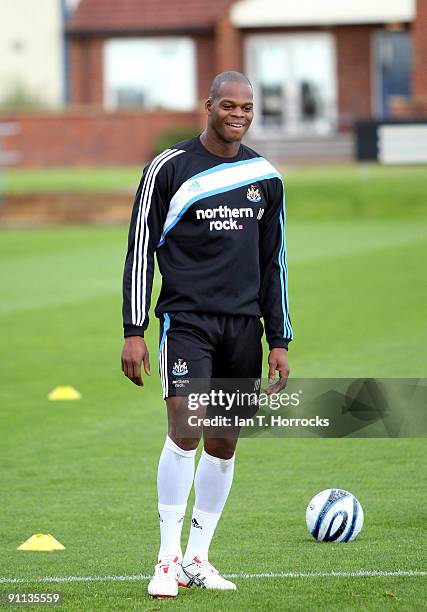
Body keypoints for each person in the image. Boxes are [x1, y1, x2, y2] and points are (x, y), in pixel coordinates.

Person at [121, 71, 293, 599]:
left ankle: (199, 557)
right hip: (187, 319)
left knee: (223, 443)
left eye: (246, 106)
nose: (238, 114)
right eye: (228, 105)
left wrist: (279, 340)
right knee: (187, 426)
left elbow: (274, 264)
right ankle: (166, 559)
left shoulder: (265, 176)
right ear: (209, 106)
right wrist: (134, 330)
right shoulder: (167, 169)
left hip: (243, 327)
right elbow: (138, 251)